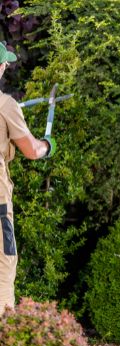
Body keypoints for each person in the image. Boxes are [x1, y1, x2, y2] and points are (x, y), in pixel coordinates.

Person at [0, 43, 55, 313]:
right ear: (1, 67)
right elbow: (31, 150)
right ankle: (4, 338)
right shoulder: (6, 105)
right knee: (4, 262)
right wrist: (47, 145)